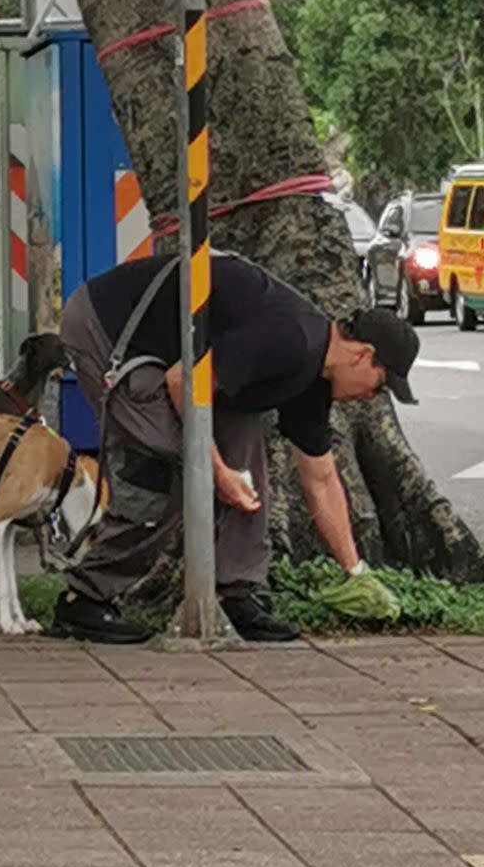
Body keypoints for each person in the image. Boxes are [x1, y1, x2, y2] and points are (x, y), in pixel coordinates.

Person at [52, 249, 419, 644]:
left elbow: (322, 480)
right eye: (380, 386)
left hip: (173, 353)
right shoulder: (290, 340)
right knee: (169, 460)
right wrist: (216, 471)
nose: (372, 398)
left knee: (244, 446)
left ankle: (236, 594)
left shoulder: (313, 376)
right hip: (109, 328)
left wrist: (356, 574)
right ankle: (85, 598)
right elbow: (181, 384)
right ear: (362, 355)